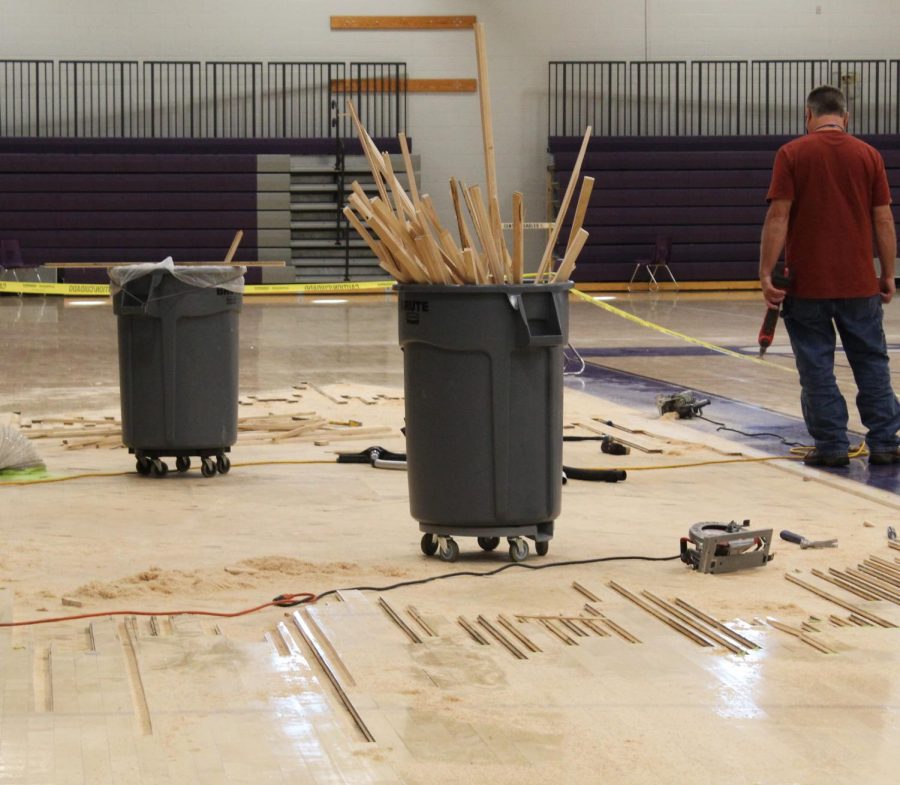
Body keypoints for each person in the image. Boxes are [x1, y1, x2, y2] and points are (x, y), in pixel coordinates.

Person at [759, 84, 900, 467]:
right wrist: (888, 273)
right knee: (872, 361)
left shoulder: (791, 154)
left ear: (808, 116)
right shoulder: (869, 156)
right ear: (845, 117)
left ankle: (833, 446)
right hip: (859, 285)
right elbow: (883, 219)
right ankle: (886, 441)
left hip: (807, 286)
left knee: (816, 366)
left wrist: (766, 273)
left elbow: (778, 216)